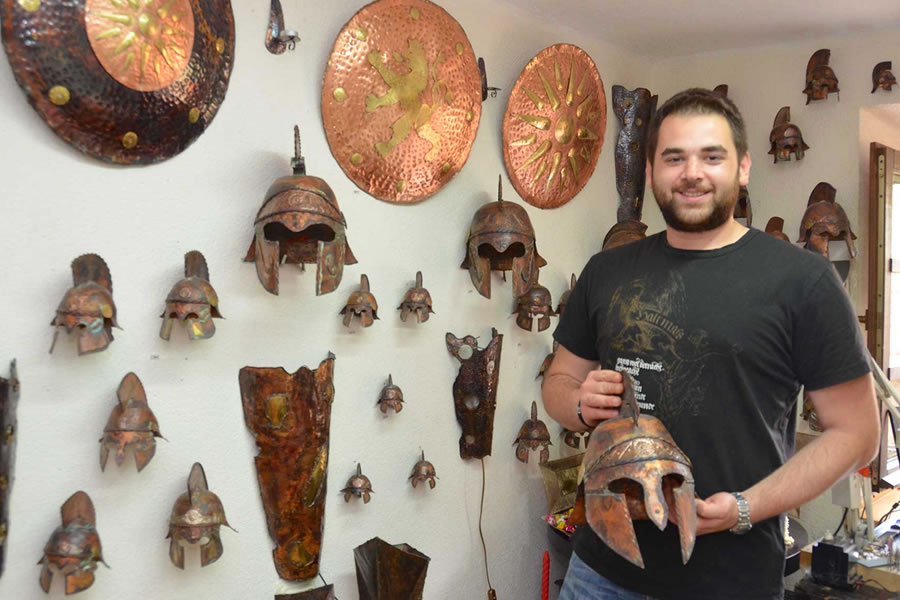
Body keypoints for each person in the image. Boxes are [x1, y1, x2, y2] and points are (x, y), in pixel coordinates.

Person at [543, 88, 880, 599]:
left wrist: (747, 507)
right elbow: (558, 384)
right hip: (601, 570)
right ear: (653, 170)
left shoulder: (802, 280)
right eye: (674, 157)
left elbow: (857, 433)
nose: (691, 173)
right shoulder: (606, 271)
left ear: (743, 168)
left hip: (731, 577)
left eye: (711, 156)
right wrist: (577, 403)